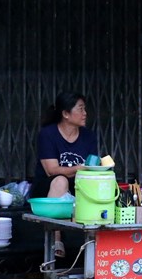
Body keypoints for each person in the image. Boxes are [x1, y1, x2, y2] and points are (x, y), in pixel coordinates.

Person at [31, 91, 99, 259]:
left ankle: (97, 241)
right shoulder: (48, 134)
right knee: (60, 180)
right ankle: (57, 239)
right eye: (80, 109)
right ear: (66, 114)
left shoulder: (89, 136)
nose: (85, 114)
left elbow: (93, 165)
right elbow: (51, 170)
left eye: (85, 109)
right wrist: (78, 168)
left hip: (78, 187)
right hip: (48, 189)